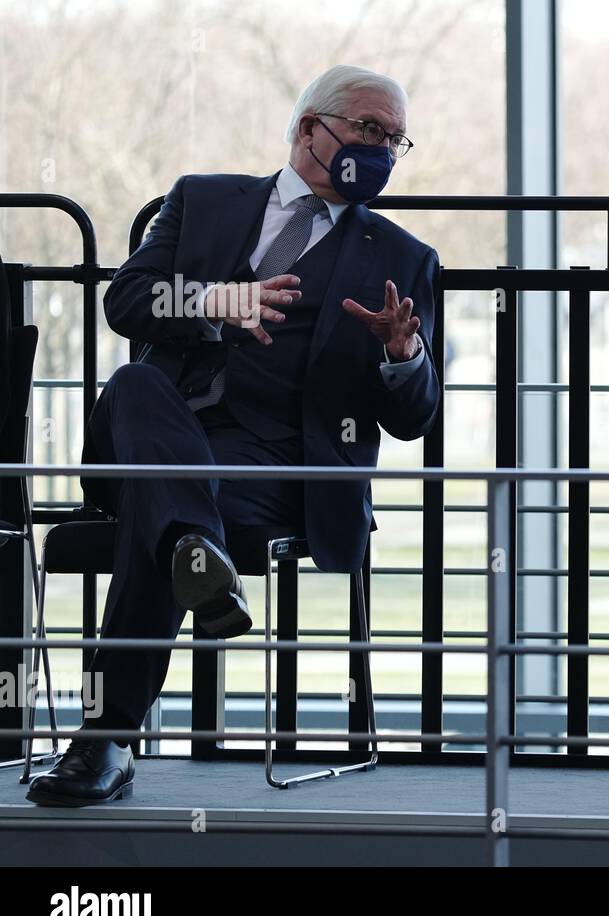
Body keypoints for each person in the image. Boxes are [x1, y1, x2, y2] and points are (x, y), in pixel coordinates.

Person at [27, 65, 440, 807]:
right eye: (369, 130)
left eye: (395, 139)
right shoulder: (203, 200)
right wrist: (213, 299)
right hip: (163, 435)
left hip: (281, 473)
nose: (382, 149)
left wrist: (400, 356)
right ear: (310, 127)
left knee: (170, 512)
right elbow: (126, 300)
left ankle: (107, 743)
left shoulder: (402, 260)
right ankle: (194, 551)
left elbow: (414, 420)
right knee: (133, 386)